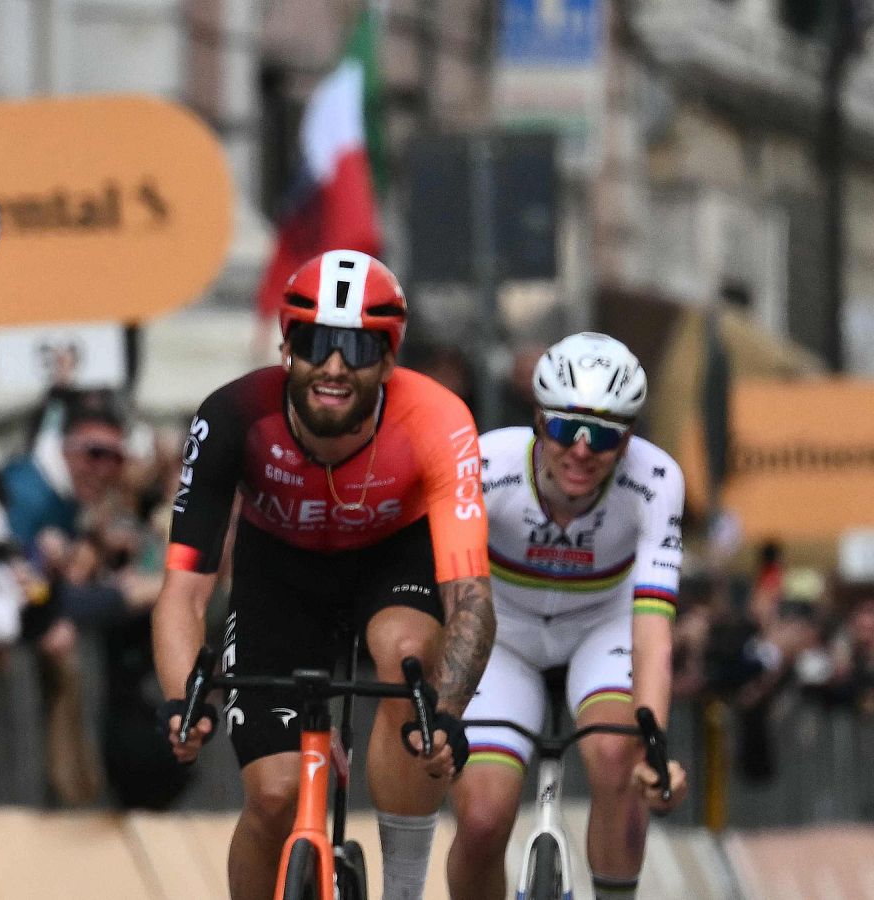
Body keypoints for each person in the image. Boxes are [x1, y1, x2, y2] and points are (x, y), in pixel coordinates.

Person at [153, 249, 496, 900]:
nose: (334, 366)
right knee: (274, 795)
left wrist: (445, 713)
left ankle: (401, 889)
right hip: (279, 571)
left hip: (391, 560)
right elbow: (184, 590)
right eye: (315, 343)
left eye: (358, 350)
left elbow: (471, 599)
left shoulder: (439, 419)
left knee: (407, 657)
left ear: (389, 359)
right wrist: (183, 700)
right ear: (288, 346)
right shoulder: (233, 415)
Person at [446, 332, 691, 900]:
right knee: (482, 819)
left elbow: (653, 629)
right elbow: (455, 597)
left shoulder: (656, 481)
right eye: (564, 428)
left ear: (628, 439)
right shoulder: (486, 464)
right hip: (500, 634)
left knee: (617, 759)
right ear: (537, 419)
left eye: (603, 435)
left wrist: (653, 747)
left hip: (600, 628)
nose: (581, 450)